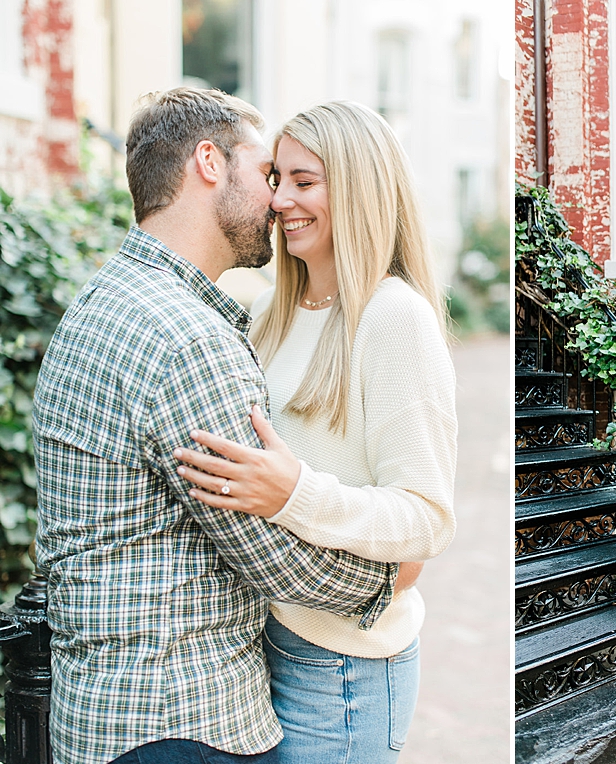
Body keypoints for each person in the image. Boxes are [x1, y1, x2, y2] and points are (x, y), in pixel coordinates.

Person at [32, 88, 405, 764]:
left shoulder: (103, 296)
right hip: (186, 719)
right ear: (210, 162)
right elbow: (273, 559)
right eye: (266, 174)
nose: (277, 200)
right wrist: (390, 577)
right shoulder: (185, 339)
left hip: (100, 718)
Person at [172, 101, 457, 762]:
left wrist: (294, 493)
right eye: (276, 179)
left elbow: (427, 520)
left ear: (357, 187)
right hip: (261, 645)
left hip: (345, 675)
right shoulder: (273, 311)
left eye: (305, 181)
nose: (279, 201)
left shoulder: (393, 320)